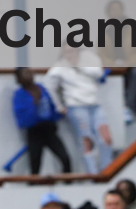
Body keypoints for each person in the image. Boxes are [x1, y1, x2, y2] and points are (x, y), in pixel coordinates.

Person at [45, 45, 113, 173]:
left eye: (72, 51)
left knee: (106, 138)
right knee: (86, 141)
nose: (70, 54)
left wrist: (79, 66)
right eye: (66, 52)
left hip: (95, 105)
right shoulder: (59, 67)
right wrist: (59, 106)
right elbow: (49, 86)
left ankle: (108, 170)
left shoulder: (89, 60)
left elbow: (98, 73)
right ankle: (93, 174)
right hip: (76, 108)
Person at [12, 67, 71, 175]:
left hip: (49, 129)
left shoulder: (42, 89)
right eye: (24, 74)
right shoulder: (19, 95)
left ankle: (68, 182)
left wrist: (58, 114)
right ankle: (34, 186)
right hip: (34, 131)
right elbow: (21, 115)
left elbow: (52, 106)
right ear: (19, 79)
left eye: (29, 72)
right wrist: (34, 106)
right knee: (35, 162)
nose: (28, 75)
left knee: (65, 157)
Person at [98, 0, 136, 120]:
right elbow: (102, 55)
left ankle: (127, 106)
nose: (116, 12)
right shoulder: (105, 32)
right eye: (112, 10)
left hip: (134, 65)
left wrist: (128, 63)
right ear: (108, 13)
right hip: (115, 67)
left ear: (122, 11)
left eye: (118, 9)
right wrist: (113, 64)